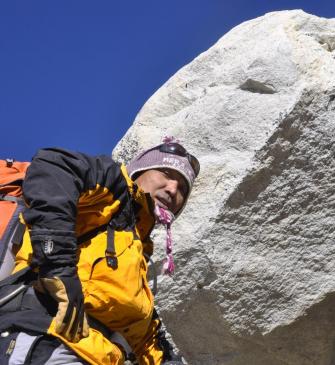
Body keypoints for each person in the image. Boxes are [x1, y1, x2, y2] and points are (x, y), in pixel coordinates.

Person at [0, 138, 199, 364]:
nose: (173, 189)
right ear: (138, 171)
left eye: (182, 188)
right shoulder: (112, 189)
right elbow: (54, 167)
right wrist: (58, 266)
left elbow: (146, 337)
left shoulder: (137, 252)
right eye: (165, 173)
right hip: (46, 339)